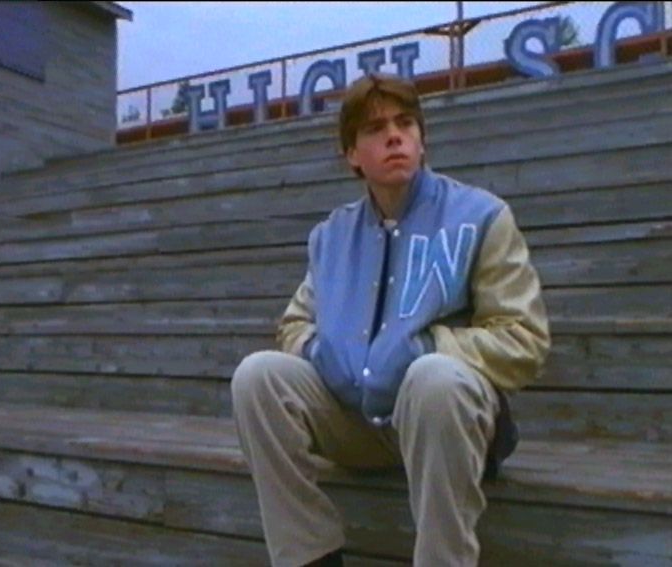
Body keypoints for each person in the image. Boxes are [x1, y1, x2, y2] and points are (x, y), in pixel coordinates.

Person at [231, 73, 551, 567]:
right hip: (359, 421)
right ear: (352, 155)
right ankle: (310, 555)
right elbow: (294, 324)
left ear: (422, 140)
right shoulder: (332, 235)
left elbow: (524, 339)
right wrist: (322, 352)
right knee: (257, 376)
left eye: (405, 123)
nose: (395, 136)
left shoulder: (481, 216)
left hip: (448, 423)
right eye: (375, 128)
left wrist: (428, 347)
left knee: (433, 377)